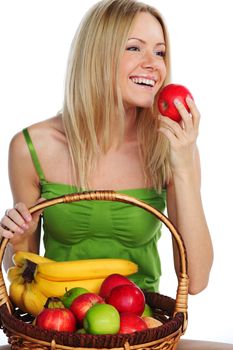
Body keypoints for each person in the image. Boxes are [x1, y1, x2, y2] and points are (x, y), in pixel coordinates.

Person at [0, 1, 215, 347]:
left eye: (160, 52)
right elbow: (23, 266)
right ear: (97, 55)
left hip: (140, 331)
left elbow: (198, 278)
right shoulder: (31, 147)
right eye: (134, 48)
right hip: (58, 330)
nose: (153, 64)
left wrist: (185, 165)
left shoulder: (169, 147)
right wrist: (16, 235)